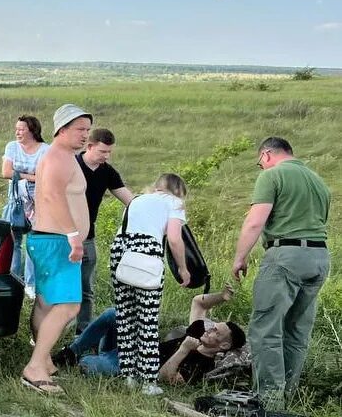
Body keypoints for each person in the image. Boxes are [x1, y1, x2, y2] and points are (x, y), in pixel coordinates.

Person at [232, 137, 331, 410]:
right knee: (297, 330)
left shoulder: (273, 175)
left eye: (259, 163)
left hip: (286, 255)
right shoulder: (318, 181)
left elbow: (255, 222)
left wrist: (240, 257)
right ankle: (288, 393)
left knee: (265, 327)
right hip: (319, 257)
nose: (261, 168)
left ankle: (269, 399)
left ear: (266, 155)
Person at [21, 103, 92, 395]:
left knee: (46, 303)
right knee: (69, 306)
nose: (85, 135)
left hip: (48, 238)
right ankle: (35, 367)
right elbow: (51, 195)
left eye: (88, 130)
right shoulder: (59, 157)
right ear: (61, 129)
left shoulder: (60, 156)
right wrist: (74, 235)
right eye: (80, 129)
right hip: (58, 240)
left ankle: (45, 359)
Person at [54, 283, 247, 383]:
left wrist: (183, 350)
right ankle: (71, 352)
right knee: (114, 313)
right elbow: (198, 302)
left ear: (223, 345)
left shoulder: (202, 365)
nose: (210, 328)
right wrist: (221, 297)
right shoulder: (198, 332)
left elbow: (163, 378)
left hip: (134, 368)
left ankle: (91, 357)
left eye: (216, 331)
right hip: (135, 346)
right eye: (213, 325)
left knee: (87, 365)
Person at [111, 173, 190, 394]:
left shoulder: (135, 200)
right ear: (178, 190)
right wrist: (183, 268)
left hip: (121, 252)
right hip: (147, 253)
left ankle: (128, 375)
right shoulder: (174, 203)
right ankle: (148, 381)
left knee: (125, 315)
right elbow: (174, 238)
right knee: (147, 319)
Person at [75, 128, 134, 333]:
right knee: (60, 289)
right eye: (102, 152)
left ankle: (82, 331)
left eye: (109, 152)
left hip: (88, 236)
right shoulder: (72, 165)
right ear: (89, 147)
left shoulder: (107, 172)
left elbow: (130, 201)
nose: (106, 156)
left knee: (86, 288)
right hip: (61, 234)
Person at [0, 115, 49, 296]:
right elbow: (6, 172)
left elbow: (46, 174)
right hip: (17, 199)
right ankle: (13, 278)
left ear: (32, 130)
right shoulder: (12, 147)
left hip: (39, 200)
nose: (17, 132)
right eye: (17, 129)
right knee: (14, 239)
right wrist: (31, 176)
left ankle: (31, 283)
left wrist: (19, 173)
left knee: (33, 241)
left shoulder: (45, 149)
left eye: (22, 129)